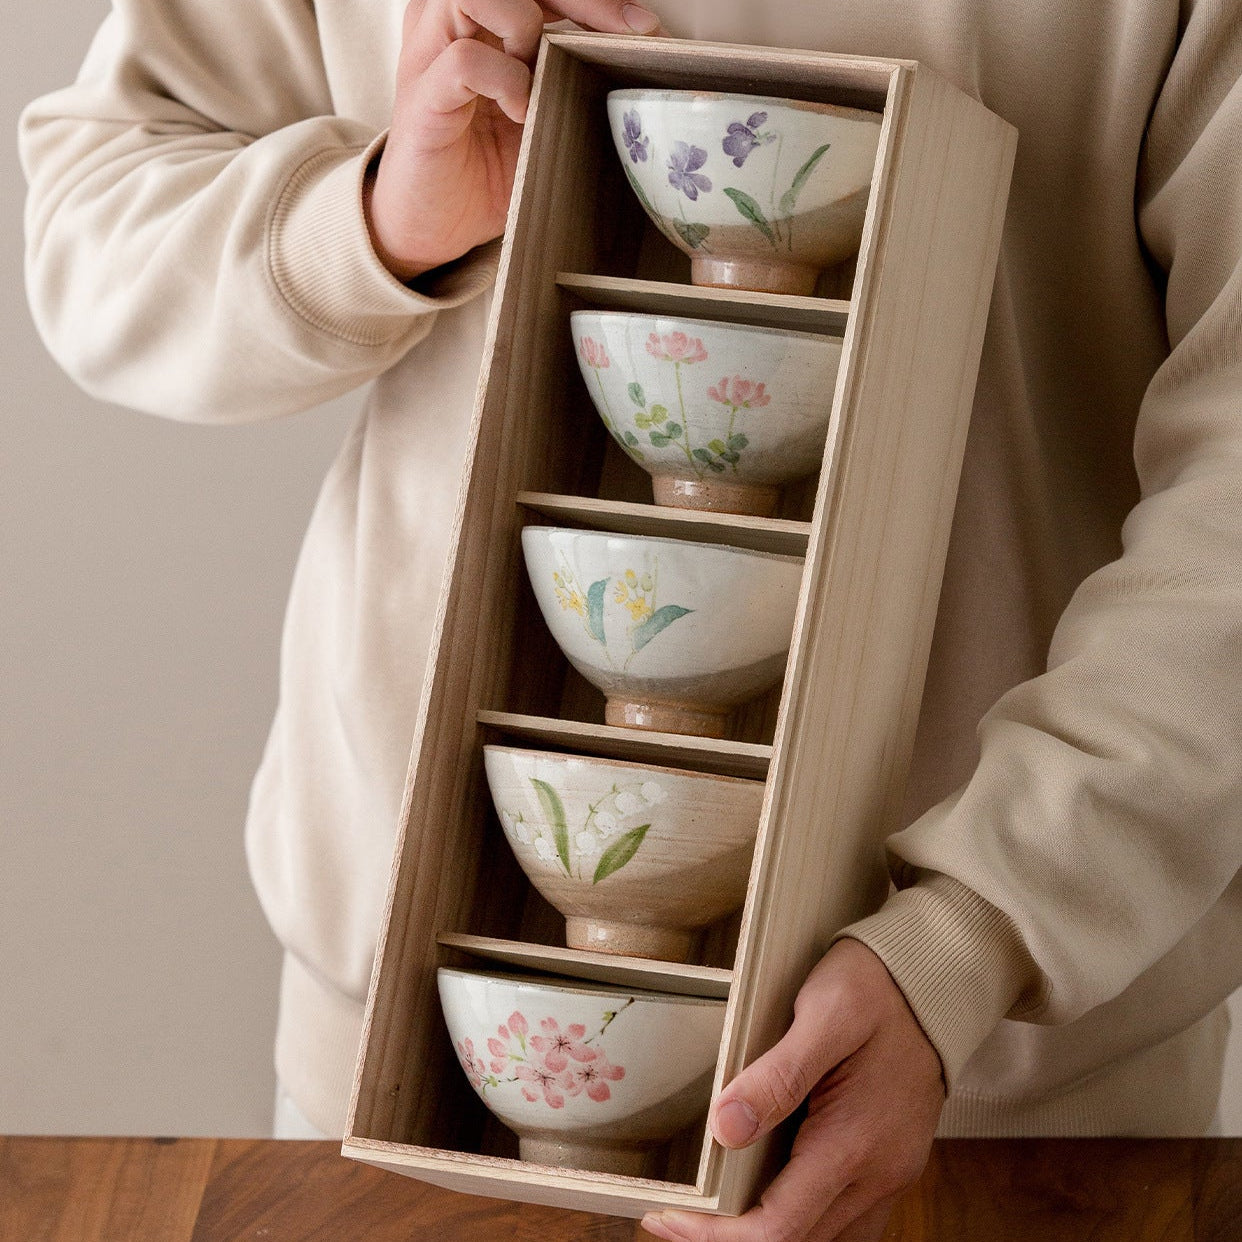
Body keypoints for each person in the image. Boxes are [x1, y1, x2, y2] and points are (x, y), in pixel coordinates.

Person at [20, 0, 1242, 1239]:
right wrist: (380, 216)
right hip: (432, 1041)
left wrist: (973, 941)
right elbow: (94, 217)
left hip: (1013, 1103)